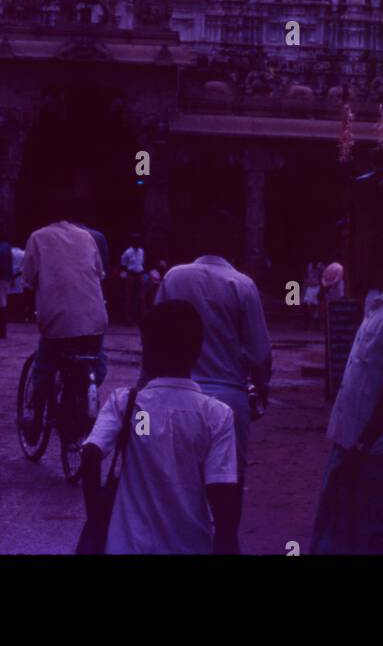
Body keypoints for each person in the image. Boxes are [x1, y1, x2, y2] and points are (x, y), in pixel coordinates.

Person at [81, 300, 240, 554]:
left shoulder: (127, 403)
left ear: (148, 353)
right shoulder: (216, 416)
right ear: (197, 351)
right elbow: (222, 490)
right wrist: (226, 541)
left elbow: (90, 455)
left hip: (127, 546)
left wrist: (96, 516)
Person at [310, 226, 383, 554]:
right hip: (355, 440)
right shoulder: (379, 303)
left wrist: (365, 442)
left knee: (376, 533)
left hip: (379, 447)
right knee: (348, 528)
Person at [156, 210, 272, 488]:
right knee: (228, 483)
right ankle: (225, 533)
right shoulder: (242, 285)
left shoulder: (174, 277)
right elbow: (260, 354)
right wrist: (261, 390)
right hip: (229, 397)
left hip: (176, 395)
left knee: (176, 484)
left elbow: (154, 335)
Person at [21, 213, 109, 435]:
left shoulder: (37, 237)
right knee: (96, 361)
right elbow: (100, 273)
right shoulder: (88, 237)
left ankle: (34, 419)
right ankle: (83, 396)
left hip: (58, 322)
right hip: (95, 319)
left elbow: (28, 280)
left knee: (44, 367)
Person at [120, 233, 146, 325]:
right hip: (131, 275)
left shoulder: (141, 251)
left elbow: (142, 263)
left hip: (139, 274)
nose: (138, 243)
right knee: (129, 296)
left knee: (141, 296)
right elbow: (123, 264)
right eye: (136, 241)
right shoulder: (127, 252)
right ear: (133, 242)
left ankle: (141, 317)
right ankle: (128, 318)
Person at [0, 232, 13, 339]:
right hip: (6, 277)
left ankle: (1, 330)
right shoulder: (8, 247)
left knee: (1, 303)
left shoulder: (0, 248)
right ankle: (2, 330)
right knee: (3, 301)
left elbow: (0, 264)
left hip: (1, 277)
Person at [301, 260, 323, 325]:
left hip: (317, 286)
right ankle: (312, 316)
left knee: (316, 303)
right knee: (308, 303)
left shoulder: (320, 266)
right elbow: (306, 276)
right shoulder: (309, 265)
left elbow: (322, 276)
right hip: (310, 287)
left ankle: (316, 316)